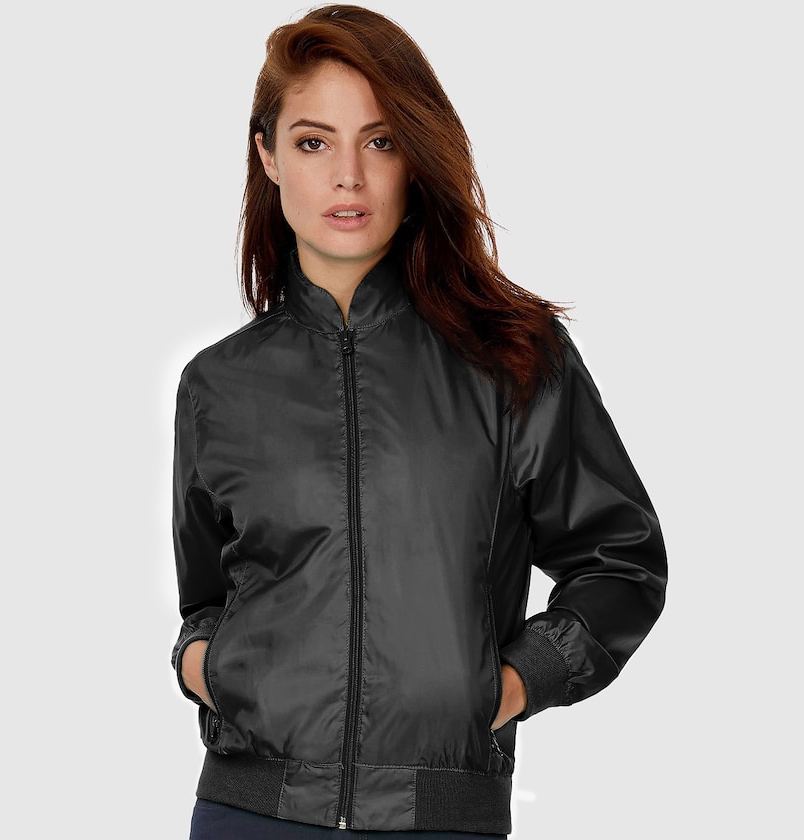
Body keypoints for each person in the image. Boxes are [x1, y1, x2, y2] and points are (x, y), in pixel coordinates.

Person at [170, 4, 667, 837]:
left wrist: (509, 686)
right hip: (248, 810)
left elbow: (621, 562)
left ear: (416, 156)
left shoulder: (513, 357)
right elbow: (210, 594)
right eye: (314, 142)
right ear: (268, 156)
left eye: (381, 140)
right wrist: (203, 661)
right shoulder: (218, 385)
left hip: (440, 815)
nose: (349, 177)